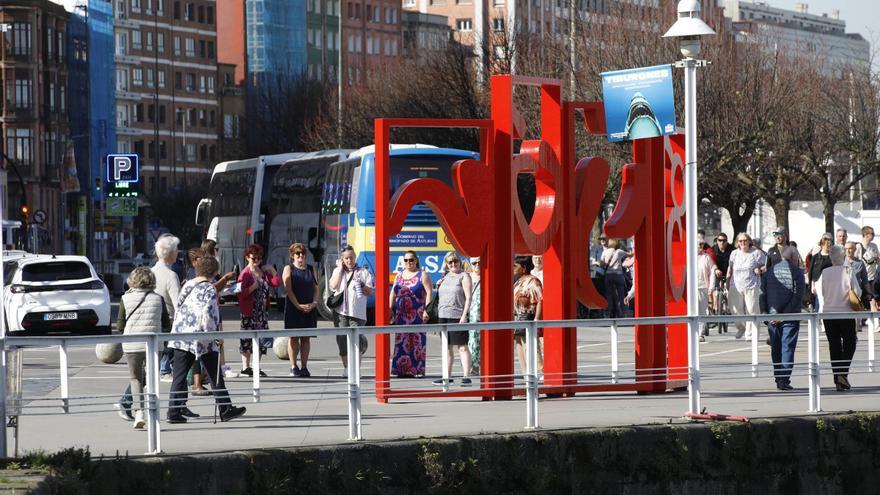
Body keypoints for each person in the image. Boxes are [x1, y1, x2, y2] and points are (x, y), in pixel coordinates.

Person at [167, 255, 246, 423]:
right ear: (214, 271)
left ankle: (173, 411)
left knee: (179, 375)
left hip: (181, 335)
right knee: (215, 373)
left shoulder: (188, 284)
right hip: (202, 338)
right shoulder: (209, 289)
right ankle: (225, 409)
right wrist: (216, 336)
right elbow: (209, 315)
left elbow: (179, 307)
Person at [115, 267, 171, 428]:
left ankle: (139, 411)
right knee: (151, 378)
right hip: (154, 345)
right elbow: (166, 324)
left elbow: (119, 326)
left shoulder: (125, 299)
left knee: (135, 378)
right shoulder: (158, 299)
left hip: (132, 344)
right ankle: (153, 413)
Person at [814, 245, 860, 392]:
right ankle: (842, 374)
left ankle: (838, 379)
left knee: (834, 346)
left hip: (828, 313)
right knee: (850, 342)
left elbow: (819, 292)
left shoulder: (824, 272)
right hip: (845, 313)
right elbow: (857, 290)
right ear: (843, 256)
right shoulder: (848, 271)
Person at [759, 248, 804, 391]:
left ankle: (778, 377)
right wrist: (784, 314)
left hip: (772, 317)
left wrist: (767, 314)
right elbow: (798, 296)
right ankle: (784, 379)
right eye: (797, 256)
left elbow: (762, 295)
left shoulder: (769, 272)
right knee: (787, 348)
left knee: (776, 348)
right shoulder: (797, 272)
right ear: (793, 257)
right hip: (789, 317)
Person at [328, 246, 374, 377]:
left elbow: (370, 292)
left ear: (355, 257)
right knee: (342, 339)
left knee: (356, 340)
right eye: (346, 258)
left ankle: (356, 369)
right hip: (340, 312)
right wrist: (339, 269)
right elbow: (333, 286)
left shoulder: (363, 272)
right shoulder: (338, 271)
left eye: (351, 257)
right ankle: (347, 367)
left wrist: (362, 284)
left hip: (357, 313)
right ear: (342, 259)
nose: (349, 260)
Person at [237, 244, 281, 377]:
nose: (256, 261)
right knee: (246, 339)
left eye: (259, 258)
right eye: (253, 258)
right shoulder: (245, 274)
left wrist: (272, 271)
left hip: (262, 312)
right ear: (247, 258)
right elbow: (240, 294)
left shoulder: (263, 272)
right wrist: (252, 287)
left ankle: (256, 366)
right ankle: (245, 367)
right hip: (249, 312)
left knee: (261, 340)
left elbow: (276, 283)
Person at [432, 252, 473, 386]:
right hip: (443, 315)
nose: (453, 264)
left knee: (462, 347)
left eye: (455, 261)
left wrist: (464, 315)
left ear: (459, 262)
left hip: (457, 315)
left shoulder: (464, 276)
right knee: (447, 348)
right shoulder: (445, 277)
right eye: (450, 263)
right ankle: (447, 376)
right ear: (446, 264)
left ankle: (466, 375)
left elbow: (468, 298)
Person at [390, 250, 433, 378]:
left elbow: (429, 293)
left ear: (416, 260)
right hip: (401, 314)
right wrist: (390, 309)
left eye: (411, 260)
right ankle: (401, 370)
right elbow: (393, 293)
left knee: (417, 341)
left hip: (417, 313)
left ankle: (417, 369)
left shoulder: (423, 275)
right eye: (406, 260)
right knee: (401, 341)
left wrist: (427, 310)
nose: (409, 262)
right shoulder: (399, 275)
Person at [152, 234, 181, 383]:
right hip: (168, 322)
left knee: (150, 369)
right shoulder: (171, 276)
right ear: (170, 253)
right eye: (176, 249)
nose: (177, 252)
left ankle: (127, 400)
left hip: (152, 321)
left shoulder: (150, 272)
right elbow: (178, 305)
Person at [727, 232, 766, 340]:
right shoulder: (734, 253)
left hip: (751, 285)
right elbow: (730, 268)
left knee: (752, 310)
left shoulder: (756, 253)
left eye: (745, 240)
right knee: (735, 309)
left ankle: (751, 334)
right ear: (737, 243)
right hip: (735, 285)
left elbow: (766, 265)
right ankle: (742, 327)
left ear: (749, 241)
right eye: (740, 241)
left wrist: (760, 270)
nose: (743, 243)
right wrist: (727, 280)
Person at [513, 256, 544, 377]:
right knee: (520, 346)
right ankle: (526, 375)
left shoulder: (533, 281)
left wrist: (537, 318)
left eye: (516, 266)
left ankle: (539, 373)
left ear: (524, 268)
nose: (513, 268)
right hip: (517, 318)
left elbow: (540, 300)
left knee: (531, 346)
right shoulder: (518, 281)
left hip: (529, 317)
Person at [854, 226, 880, 327]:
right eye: (872, 234)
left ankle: (875, 323)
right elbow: (856, 262)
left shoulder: (874, 246)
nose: (873, 236)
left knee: (872, 300)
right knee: (859, 301)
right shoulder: (859, 247)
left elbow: (878, 260)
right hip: (862, 278)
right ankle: (859, 322)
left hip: (872, 278)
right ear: (866, 235)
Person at [600, 239, 632, 319]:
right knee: (621, 295)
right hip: (618, 275)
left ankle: (608, 313)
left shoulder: (605, 252)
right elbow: (630, 254)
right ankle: (624, 312)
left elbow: (601, 264)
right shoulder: (619, 251)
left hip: (609, 275)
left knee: (609, 295)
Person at [807, 233, 834, 310]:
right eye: (826, 244)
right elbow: (812, 272)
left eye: (830, 243)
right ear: (822, 244)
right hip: (818, 285)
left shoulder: (833, 257)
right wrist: (812, 285)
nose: (828, 245)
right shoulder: (815, 257)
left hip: (830, 285)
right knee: (819, 305)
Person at [697, 243, 717, 341]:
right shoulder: (687, 255)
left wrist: (711, 287)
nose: (700, 247)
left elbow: (712, 272)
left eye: (701, 245)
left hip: (702, 287)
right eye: (698, 244)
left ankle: (700, 333)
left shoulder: (706, 258)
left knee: (701, 311)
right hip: (689, 289)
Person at [467, 257, 482, 377]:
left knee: (479, 341)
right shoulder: (466, 277)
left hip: (482, 314)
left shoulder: (487, 276)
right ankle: (470, 365)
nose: (477, 265)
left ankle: (477, 366)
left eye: (479, 262)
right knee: (469, 341)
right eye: (474, 263)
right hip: (467, 314)